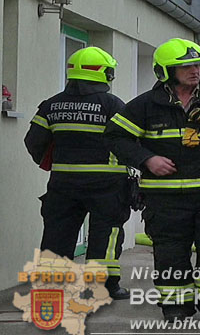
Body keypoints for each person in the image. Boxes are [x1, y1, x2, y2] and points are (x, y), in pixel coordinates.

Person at [104, 38, 200, 322]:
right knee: (170, 252)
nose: (194, 71)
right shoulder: (144, 106)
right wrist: (147, 159)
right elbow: (116, 136)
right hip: (164, 196)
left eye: (198, 65)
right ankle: (176, 306)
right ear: (166, 71)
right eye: (186, 66)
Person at [24, 46, 131, 300]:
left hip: (63, 184)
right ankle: (102, 287)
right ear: (104, 73)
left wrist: (57, 163)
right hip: (107, 185)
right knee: (105, 234)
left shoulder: (51, 105)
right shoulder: (112, 105)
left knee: (57, 234)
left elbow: (34, 142)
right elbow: (129, 141)